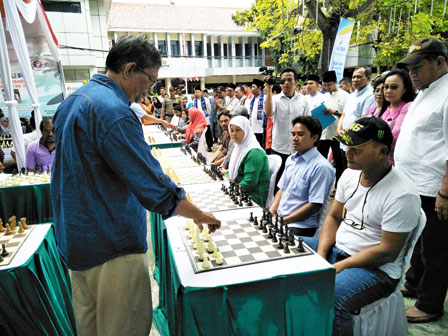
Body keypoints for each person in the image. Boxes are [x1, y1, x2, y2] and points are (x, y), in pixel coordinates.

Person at [51, 35, 220, 336]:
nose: (149, 90)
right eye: (151, 80)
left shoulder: (72, 102)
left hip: (77, 241)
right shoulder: (115, 112)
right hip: (112, 246)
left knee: (89, 327)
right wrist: (199, 214)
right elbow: (152, 184)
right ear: (129, 70)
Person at [305, 117, 421, 335]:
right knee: (290, 250)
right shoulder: (350, 174)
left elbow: (387, 252)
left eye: (356, 148)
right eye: (347, 146)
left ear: (382, 151)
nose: (348, 153)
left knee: (334, 296)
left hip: (375, 270)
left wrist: (340, 266)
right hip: (338, 253)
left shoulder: (402, 194)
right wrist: (321, 255)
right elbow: (333, 217)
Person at [395, 37, 448, 323]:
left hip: (434, 188)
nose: (412, 73)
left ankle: (430, 304)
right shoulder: (426, 91)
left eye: (418, 66)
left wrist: (445, 193)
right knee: (417, 242)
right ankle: (414, 283)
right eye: (410, 67)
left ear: (439, 62)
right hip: (414, 185)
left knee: (435, 249)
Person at [269, 116, 334, 237]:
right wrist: (271, 211)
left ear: (314, 137)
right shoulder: (291, 160)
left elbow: (314, 205)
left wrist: (284, 221)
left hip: (301, 225)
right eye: (293, 134)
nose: (294, 138)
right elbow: (282, 189)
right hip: (281, 218)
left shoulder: (321, 167)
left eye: (300, 134)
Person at [265, 68, 310, 193]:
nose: (286, 83)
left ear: (296, 82)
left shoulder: (304, 100)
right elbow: (268, 113)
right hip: (279, 146)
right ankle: (275, 209)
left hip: (298, 148)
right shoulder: (274, 99)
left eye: (289, 80)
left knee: (297, 180)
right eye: (283, 80)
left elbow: (308, 122)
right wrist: (268, 89)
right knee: (278, 181)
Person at [228, 116, 270, 207]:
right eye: (231, 130)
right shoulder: (239, 147)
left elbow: (249, 182)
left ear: (246, 130)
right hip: (241, 190)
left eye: (238, 130)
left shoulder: (254, 152)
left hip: (253, 195)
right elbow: (235, 171)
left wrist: (231, 189)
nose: (234, 134)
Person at [376, 69, 415, 165]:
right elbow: (380, 132)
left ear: (405, 89)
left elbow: (394, 138)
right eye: (386, 87)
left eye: (394, 87)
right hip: (380, 160)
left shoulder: (407, 107)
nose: (388, 91)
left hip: (395, 164)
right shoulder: (386, 109)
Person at [319, 70, 349, 187]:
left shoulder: (345, 96)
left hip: (338, 134)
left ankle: (338, 186)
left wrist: (334, 112)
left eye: (329, 85)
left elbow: (347, 114)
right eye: (324, 85)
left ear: (335, 82)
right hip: (325, 133)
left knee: (339, 162)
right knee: (321, 159)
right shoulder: (324, 96)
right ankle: (321, 183)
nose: (327, 87)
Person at [193, 86, 213, 151]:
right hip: (198, 119)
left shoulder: (206, 100)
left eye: (198, 92)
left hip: (205, 118)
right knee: (199, 133)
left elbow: (209, 109)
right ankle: (199, 145)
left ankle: (209, 146)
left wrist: (207, 116)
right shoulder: (194, 101)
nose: (196, 93)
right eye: (195, 92)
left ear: (201, 92)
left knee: (207, 132)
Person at [247, 78, 265, 146]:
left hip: (261, 130)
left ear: (259, 87)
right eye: (251, 87)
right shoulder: (252, 100)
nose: (252, 89)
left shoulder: (265, 98)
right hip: (252, 129)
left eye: (253, 87)